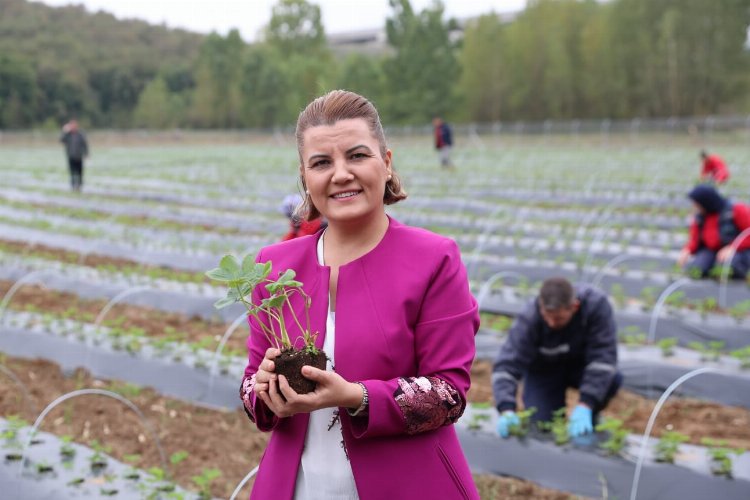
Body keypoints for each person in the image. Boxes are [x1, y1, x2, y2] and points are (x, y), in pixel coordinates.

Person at [240, 90, 480, 499]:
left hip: (408, 484)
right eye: (321, 163)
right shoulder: (274, 266)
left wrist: (356, 396)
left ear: (386, 164)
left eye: (357, 155)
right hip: (299, 485)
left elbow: (449, 394)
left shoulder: (434, 259)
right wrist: (263, 391)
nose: (340, 174)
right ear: (305, 177)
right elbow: (250, 387)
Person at [492, 277, 622, 439]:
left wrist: (586, 404)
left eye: (559, 318)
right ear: (541, 306)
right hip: (544, 371)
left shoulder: (595, 306)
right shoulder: (530, 317)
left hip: (580, 367)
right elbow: (507, 365)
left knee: (612, 378)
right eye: (547, 316)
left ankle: (589, 416)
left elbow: (603, 358)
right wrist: (506, 409)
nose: (552, 323)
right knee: (541, 426)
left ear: (574, 307)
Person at [677, 185, 750, 280]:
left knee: (728, 268)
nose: (695, 206)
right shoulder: (700, 217)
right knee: (696, 270)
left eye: (697, 203)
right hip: (711, 251)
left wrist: (732, 247)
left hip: (738, 250)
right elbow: (695, 239)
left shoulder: (735, 210)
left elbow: (748, 232)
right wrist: (687, 250)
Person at [59, 119, 89, 192]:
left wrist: (86, 153)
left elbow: (84, 144)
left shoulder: (80, 134)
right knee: (72, 172)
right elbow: (61, 140)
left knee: (80, 172)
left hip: (79, 156)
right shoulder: (68, 135)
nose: (73, 127)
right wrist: (64, 131)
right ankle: (73, 186)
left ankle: (79, 186)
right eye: (72, 125)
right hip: (71, 156)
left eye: (74, 125)